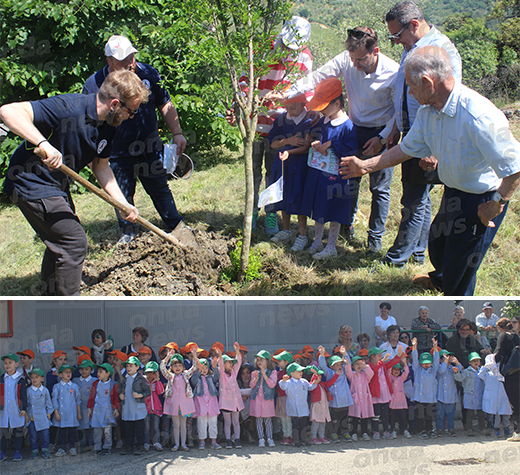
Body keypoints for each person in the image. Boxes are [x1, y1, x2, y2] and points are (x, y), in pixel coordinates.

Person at [340, 45, 520, 295]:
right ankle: (441, 281)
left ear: (427, 82)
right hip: (454, 191)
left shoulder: (479, 116)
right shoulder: (429, 112)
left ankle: (456, 311)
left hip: (482, 199)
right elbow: (405, 149)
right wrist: (364, 166)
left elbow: (515, 166)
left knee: (462, 266)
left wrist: (497, 204)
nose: (411, 95)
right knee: (437, 243)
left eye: (411, 88)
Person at [0, 69, 146, 295]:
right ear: (115, 104)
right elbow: (8, 111)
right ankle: (70, 306)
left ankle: (49, 297)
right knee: (74, 241)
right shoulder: (67, 107)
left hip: (55, 185)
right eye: (131, 111)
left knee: (60, 241)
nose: (132, 116)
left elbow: (101, 166)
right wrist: (43, 143)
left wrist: (122, 203)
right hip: (29, 182)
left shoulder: (108, 125)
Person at [274, 26, 399, 252]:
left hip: (381, 131)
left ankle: (375, 238)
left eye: (360, 60)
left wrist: (382, 137)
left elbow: (399, 111)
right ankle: (344, 226)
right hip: (352, 126)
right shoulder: (346, 60)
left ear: (376, 51)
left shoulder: (393, 72)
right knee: (348, 181)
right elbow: (317, 77)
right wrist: (288, 93)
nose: (356, 65)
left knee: (379, 187)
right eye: (352, 59)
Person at [83, 35, 189, 245]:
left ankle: (177, 226)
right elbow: (88, 123)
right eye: (124, 60)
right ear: (109, 61)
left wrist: (177, 132)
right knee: (122, 196)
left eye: (132, 57)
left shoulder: (147, 73)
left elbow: (165, 103)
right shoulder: (94, 84)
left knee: (160, 190)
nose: (130, 63)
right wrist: (90, 153)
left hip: (149, 148)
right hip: (115, 154)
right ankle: (129, 234)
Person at [381, 1, 462, 268]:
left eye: (397, 36)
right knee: (420, 198)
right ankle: (417, 251)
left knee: (412, 201)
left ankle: (397, 259)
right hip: (412, 134)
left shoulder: (442, 50)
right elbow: (404, 95)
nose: (396, 42)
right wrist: (395, 128)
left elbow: (447, 102)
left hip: (427, 140)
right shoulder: (411, 48)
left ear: (414, 25)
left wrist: (432, 147)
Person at [228, 16, 313, 236]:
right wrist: (249, 99)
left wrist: (285, 95)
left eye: (293, 47)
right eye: (285, 45)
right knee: (253, 172)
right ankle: (252, 212)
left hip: (283, 127)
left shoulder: (305, 56)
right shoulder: (262, 49)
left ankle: (271, 213)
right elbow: (243, 81)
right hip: (256, 123)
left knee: (274, 174)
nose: (287, 51)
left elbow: (307, 87)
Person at [301, 78, 358, 259]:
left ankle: (331, 246)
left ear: (337, 103)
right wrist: (318, 143)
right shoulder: (324, 121)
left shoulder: (348, 126)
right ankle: (318, 240)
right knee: (319, 207)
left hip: (336, 178)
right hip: (321, 174)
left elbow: (350, 151)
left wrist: (332, 144)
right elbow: (320, 138)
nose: (322, 111)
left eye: (325, 106)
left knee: (333, 210)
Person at [267, 95, 313, 250]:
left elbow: (306, 146)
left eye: (293, 107)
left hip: (301, 166)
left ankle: (302, 236)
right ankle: (286, 231)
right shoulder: (280, 119)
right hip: (283, 165)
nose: (289, 111)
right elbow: (272, 144)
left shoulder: (309, 119)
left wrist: (290, 152)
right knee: (283, 196)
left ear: (303, 104)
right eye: (287, 107)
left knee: (298, 198)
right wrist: (288, 141)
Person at [160, 349, 197, 452]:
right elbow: (162, 368)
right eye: (175, 366)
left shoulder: (185, 375)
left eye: (179, 365)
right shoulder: (170, 376)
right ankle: (176, 444)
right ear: (171, 367)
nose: (177, 368)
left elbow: (194, 368)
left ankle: (183, 444)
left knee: (183, 424)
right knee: (175, 424)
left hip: (184, 403)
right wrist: (167, 357)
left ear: (183, 367)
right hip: (174, 403)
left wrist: (194, 356)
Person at [318, 346, 354, 443]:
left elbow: (348, 364)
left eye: (340, 364)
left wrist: (345, 354)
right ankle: (333, 433)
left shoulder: (344, 372)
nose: (339, 366)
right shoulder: (329, 373)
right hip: (334, 400)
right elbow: (322, 365)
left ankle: (345, 432)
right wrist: (321, 355)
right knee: (334, 418)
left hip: (344, 399)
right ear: (331, 366)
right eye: (336, 364)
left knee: (344, 417)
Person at [278, 362, 319, 447]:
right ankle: (296, 440)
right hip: (293, 408)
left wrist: (314, 383)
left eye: (301, 371)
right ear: (292, 373)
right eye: (299, 371)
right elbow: (282, 386)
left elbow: (310, 387)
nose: (301, 373)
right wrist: (284, 380)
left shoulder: (304, 381)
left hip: (303, 407)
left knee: (304, 424)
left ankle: (303, 439)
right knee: (295, 425)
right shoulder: (288, 382)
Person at [367, 346, 403, 439]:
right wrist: (382, 361)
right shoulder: (369, 365)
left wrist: (398, 356)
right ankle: (375, 431)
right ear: (372, 357)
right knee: (376, 414)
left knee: (385, 414)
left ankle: (386, 430)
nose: (381, 356)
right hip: (375, 393)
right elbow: (373, 370)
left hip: (385, 392)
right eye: (379, 355)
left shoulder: (382, 364)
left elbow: (391, 363)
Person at [494, 315, 520, 441]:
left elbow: (499, 354)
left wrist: (490, 358)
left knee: (515, 403)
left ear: (500, 327)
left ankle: (518, 432)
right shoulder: (515, 336)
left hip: (511, 374)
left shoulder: (503, 336)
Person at [119, 355, 150, 455]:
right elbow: (121, 389)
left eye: (131, 366)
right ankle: (129, 445)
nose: (128, 368)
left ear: (137, 367)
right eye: (127, 366)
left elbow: (148, 391)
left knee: (139, 428)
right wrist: (121, 395)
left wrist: (140, 395)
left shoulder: (140, 379)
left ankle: (140, 446)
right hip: (127, 407)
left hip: (137, 407)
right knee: (128, 428)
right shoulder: (125, 379)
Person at [87, 363, 120, 456]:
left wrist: (116, 409)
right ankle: (97, 447)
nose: (98, 373)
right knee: (97, 430)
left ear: (107, 373)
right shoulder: (96, 383)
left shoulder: (113, 384)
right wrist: (89, 408)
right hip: (97, 410)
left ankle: (107, 447)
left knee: (107, 431)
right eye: (98, 371)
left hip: (108, 410)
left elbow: (115, 398)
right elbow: (91, 397)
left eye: (101, 372)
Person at [0, 353, 28, 462]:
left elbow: (23, 396)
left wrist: (24, 409)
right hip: (3, 410)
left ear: (16, 364)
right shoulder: (2, 378)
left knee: (18, 431)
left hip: (16, 409)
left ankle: (17, 451)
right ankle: (2, 451)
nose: (7, 365)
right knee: (2, 432)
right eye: (5, 363)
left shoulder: (20, 379)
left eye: (10, 363)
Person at [216, 343, 244, 449]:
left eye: (232, 362)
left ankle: (237, 439)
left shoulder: (234, 372)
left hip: (235, 402)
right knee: (227, 422)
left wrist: (237, 351)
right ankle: (228, 440)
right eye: (229, 362)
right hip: (226, 402)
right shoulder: (222, 375)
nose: (232, 364)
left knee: (236, 421)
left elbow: (239, 362)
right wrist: (220, 356)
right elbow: (221, 366)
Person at [411, 337, 440, 439]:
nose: (426, 364)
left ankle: (430, 429)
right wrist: (414, 346)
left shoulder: (433, 369)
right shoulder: (417, 369)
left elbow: (436, 360)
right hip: (419, 396)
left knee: (429, 415)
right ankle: (422, 430)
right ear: (420, 363)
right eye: (424, 362)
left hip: (430, 396)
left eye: (428, 362)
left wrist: (435, 347)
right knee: (420, 415)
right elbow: (414, 359)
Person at [479, 354, 513, 438]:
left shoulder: (503, 372)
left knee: (506, 414)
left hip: (504, 396)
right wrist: (485, 367)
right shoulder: (488, 374)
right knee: (496, 414)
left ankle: (506, 428)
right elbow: (480, 375)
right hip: (494, 397)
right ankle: (497, 429)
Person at [52, 364, 81, 456]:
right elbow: (54, 399)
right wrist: (56, 413)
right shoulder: (57, 386)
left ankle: (72, 447)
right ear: (60, 375)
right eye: (66, 372)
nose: (68, 374)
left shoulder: (74, 386)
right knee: (62, 432)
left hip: (72, 412)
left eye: (69, 372)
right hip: (61, 412)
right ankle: (62, 448)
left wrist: (79, 413)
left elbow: (78, 400)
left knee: (72, 431)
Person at [191, 357, 220, 450]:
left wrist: (215, 368)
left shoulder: (211, 377)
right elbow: (193, 381)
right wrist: (197, 371)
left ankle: (213, 441)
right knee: (201, 423)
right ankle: (202, 441)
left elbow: (217, 377)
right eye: (202, 368)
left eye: (206, 368)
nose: (204, 370)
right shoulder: (196, 378)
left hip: (212, 403)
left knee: (213, 422)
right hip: (201, 403)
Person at [453, 352, 486, 436]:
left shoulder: (481, 371)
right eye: (474, 360)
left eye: (477, 360)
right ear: (469, 363)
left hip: (479, 394)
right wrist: (456, 373)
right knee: (469, 414)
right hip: (469, 394)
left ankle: (482, 428)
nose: (476, 362)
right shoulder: (467, 371)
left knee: (481, 413)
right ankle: (469, 428)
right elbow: (459, 378)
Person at [250, 350, 278, 448]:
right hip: (257, 400)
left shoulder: (273, 372)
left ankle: (270, 438)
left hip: (267, 400)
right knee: (258, 419)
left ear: (267, 361)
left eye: (261, 359)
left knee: (268, 420)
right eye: (258, 360)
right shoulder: (254, 373)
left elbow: (272, 384)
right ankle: (261, 439)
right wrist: (255, 379)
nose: (259, 362)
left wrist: (264, 375)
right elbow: (251, 386)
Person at [344, 355, 374, 441]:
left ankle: (364, 432)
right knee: (355, 417)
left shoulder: (365, 375)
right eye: (356, 364)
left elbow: (371, 373)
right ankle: (353, 433)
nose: (359, 366)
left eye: (360, 364)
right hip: (356, 398)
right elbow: (348, 372)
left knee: (365, 416)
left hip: (364, 398)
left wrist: (366, 366)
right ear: (353, 366)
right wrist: (347, 364)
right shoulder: (352, 375)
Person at [26, 368, 53, 459]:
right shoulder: (29, 390)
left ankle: (45, 449)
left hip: (43, 416)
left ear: (42, 378)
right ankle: (34, 450)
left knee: (45, 435)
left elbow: (48, 403)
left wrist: (49, 412)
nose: (34, 379)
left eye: (36, 377)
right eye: (32, 377)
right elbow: (27, 404)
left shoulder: (44, 390)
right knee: (33, 436)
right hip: (32, 417)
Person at [436, 350, 462, 437]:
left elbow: (461, 370)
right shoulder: (439, 367)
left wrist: (457, 363)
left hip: (451, 396)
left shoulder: (452, 368)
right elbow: (441, 371)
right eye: (445, 357)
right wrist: (445, 363)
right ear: (440, 360)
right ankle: (439, 429)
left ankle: (450, 429)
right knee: (440, 414)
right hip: (441, 396)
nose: (448, 359)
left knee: (450, 415)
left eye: (449, 357)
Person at [72, 358, 97, 451]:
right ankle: (82, 442)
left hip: (91, 406)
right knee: (81, 424)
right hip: (80, 407)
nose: (84, 371)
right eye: (82, 369)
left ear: (91, 370)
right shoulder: (75, 381)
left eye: (87, 369)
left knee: (91, 424)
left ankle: (91, 442)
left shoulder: (95, 380)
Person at [143, 361, 164, 452]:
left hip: (156, 408)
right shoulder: (144, 382)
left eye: (152, 373)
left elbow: (160, 392)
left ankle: (157, 442)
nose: (150, 375)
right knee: (146, 427)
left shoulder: (157, 382)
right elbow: (143, 395)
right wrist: (148, 391)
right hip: (146, 409)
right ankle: (146, 443)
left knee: (156, 427)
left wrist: (158, 380)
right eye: (148, 373)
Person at [388, 361, 410, 438]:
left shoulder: (401, 378)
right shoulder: (390, 378)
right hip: (393, 401)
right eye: (394, 369)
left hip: (401, 401)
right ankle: (393, 430)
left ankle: (404, 429)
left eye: (398, 369)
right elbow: (387, 372)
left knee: (403, 416)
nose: (396, 371)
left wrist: (405, 363)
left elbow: (406, 372)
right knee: (392, 417)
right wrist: (390, 366)